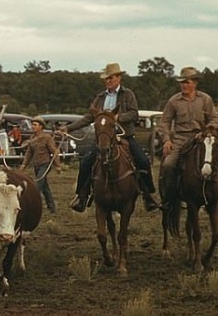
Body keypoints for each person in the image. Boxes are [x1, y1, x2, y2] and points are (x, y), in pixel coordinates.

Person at [63, 62, 160, 213]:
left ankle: (148, 196)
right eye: (106, 78)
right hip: (104, 139)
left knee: (142, 161)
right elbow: (88, 117)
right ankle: (81, 196)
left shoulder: (128, 95)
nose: (108, 81)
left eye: (111, 78)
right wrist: (68, 128)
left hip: (125, 137)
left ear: (119, 78)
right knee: (86, 162)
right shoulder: (99, 98)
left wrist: (117, 117)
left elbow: (134, 114)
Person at [157, 66, 218, 214]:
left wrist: (206, 131)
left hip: (202, 138)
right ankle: (170, 198)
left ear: (195, 83)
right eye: (182, 82)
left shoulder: (205, 99)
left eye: (187, 82)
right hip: (181, 138)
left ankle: (217, 194)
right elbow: (164, 122)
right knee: (168, 165)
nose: (184, 85)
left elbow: (214, 119)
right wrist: (166, 140)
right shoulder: (174, 101)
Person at [19, 116, 63, 213]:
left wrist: (58, 165)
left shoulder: (47, 138)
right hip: (36, 165)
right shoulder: (32, 138)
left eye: (35, 125)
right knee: (44, 187)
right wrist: (23, 165)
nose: (33, 126)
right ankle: (52, 207)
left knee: (37, 185)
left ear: (41, 126)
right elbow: (29, 153)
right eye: (32, 125)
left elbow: (54, 151)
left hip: (45, 164)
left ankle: (31, 207)